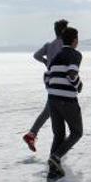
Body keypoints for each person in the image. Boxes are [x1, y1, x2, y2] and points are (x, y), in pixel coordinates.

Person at [23, 19, 68, 153]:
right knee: (60, 107)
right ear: (64, 31)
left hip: (49, 79)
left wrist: (45, 61)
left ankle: (32, 134)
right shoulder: (64, 45)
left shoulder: (49, 45)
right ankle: (59, 142)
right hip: (61, 81)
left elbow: (36, 55)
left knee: (50, 109)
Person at [45, 27, 83, 182]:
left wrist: (52, 89)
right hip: (67, 100)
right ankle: (56, 156)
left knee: (58, 134)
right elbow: (72, 74)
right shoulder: (75, 54)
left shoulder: (57, 55)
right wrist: (79, 85)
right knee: (77, 132)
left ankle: (53, 171)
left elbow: (47, 76)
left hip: (52, 99)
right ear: (75, 40)